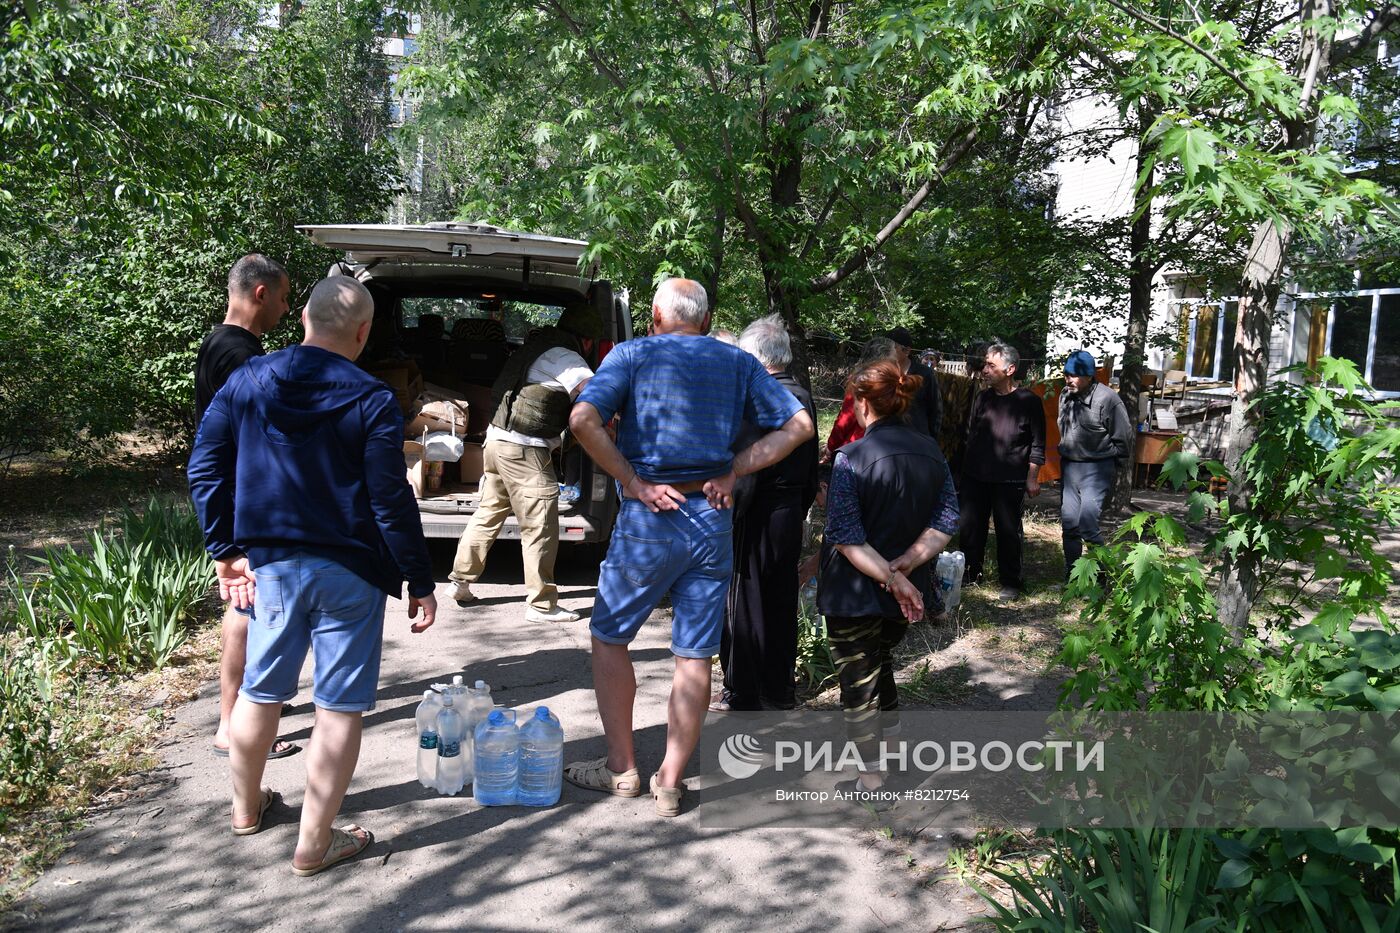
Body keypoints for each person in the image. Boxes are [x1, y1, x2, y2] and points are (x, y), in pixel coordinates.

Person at [188, 275, 438, 876]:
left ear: (303, 316)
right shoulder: (372, 398)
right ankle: (315, 842)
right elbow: (388, 500)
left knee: (260, 691)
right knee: (338, 706)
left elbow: (205, 466)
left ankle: (246, 811)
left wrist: (224, 548)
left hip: (268, 568)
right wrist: (419, 580)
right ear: (363, 331)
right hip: (349, 572)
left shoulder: (247, 381)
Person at [563, 278, 814, 816]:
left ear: (654, 316)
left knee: (610, 638)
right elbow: (799, 425)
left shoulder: (631, 354)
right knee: (694, 654)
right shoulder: (739, 363)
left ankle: (621, 769)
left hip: (648, 520)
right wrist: (735, 468)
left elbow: (583, 418)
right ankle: (670, 782)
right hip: (711, 520)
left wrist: (631, 482)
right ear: (705, 319)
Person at [818, 360, 958, 800]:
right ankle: (893, 758)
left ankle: (872, 782)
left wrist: (893, 576)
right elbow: (947, 518)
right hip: (904, 593)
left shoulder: (851, 457)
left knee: (859, 687)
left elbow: (844, 536)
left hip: (856, 594)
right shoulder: (932, 451)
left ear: (861, 403)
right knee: (880, 668)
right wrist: (907, 566)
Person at [194, 254, 297, 760]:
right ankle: (231, 724)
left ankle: (251, 706)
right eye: (282, 297)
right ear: (261, 294)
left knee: (247, 602)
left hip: (238, 495)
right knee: (244, 604)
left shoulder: (223, 343)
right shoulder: (240, 357)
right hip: (241, 500)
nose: (285, 307)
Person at [448, 302, 602, 623]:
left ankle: (460, 580)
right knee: (541, 522)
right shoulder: (567, 357)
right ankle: (541, 603)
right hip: (524, 449)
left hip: (497, 441)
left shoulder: (535, 347)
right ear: (587, 340)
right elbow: (595, 393)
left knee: (490, 511)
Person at [713, 315, 819, 712]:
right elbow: (810, 468)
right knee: (779, 600)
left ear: (755, 355)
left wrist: (731, 514)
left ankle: (741, 691)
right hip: (789, 510)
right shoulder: (802, 395)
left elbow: (746, 466)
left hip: (757, 509)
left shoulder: (760, 394)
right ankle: (779, 689)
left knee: (743, 600)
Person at [959, 343, 1046, 602]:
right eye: (985, 364)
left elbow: (1038, 444)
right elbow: (970, 435)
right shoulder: (982, 398)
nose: (984, 370)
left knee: (1008, 531)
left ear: (1010, 369)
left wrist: (1032, 477)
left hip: (1010, 478)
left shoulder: (1029, 401)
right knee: (971, 527)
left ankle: (1011, 581)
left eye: (990, 366)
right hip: (975, 476)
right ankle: (970, 574)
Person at [1057, 349, 1133, 580]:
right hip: (1070, 467)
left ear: (1090, 376)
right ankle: (1074, 577)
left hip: (1097, 469)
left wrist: (1114, 465)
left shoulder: (1108, 399)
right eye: (1067, 374)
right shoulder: (1065, 395)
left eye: (1075, 375)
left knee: (1088, 525)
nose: (1069, 379)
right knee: (1069, 524)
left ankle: (1103, 579)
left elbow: (1124, 436)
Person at [823, 337, 899, 458]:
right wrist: (831, 447)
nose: (896, 360)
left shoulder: (891, 382)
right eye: (893, 356)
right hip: (857, 451)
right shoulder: (862, 382)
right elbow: (845, 420)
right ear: (883, 357)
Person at [885, 326, 943, 440]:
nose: (886, 352)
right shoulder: (883, 373)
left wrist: (930, 441)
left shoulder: (924, 374)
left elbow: (936, 410)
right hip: (888, 441)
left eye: (891, 348)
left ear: (906, 351)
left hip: (917, 441)